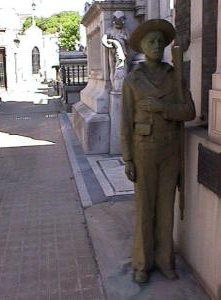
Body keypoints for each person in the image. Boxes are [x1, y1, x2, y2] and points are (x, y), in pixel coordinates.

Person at [121, 19, 196, 284]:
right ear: (141, 45)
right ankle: (142, 262)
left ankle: (165, 260)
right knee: (145, 208)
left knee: (166, 207)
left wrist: (162, 108)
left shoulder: (174, 76)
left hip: (170, 150)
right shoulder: (132, 80)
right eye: (150, 41)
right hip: (144, 150)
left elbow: (189, 112)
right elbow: (126, 121)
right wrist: (127, 158)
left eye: (160, 42)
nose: (156, 45)